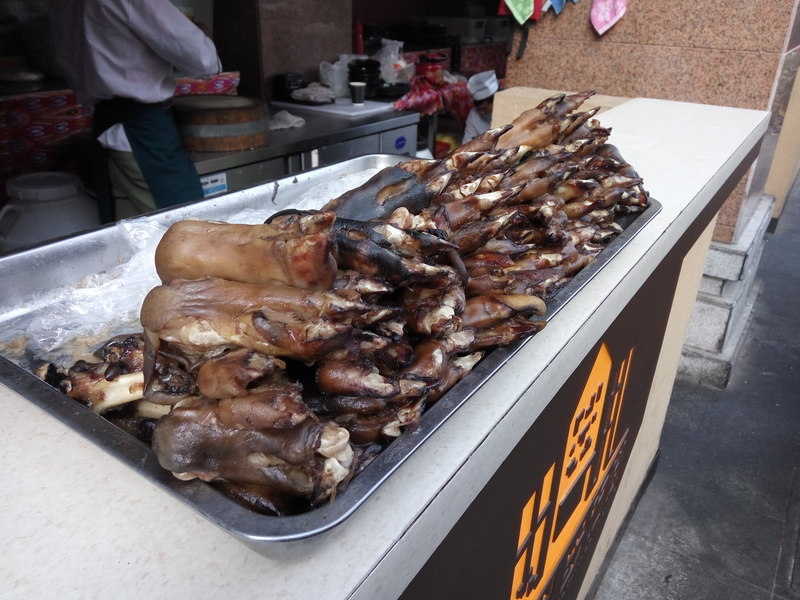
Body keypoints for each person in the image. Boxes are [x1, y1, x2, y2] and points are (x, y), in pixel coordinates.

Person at [49, 0, 222, 222]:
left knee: (132, 228)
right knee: (184, 224)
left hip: (107, 125)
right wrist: (201, 33)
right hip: (142, 130)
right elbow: (202, 59)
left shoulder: (62, 4)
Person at [462, 70, 499, 144]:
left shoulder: (507, 111)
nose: (482, 113)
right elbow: (467, 142)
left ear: (495, 102)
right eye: (479, 110)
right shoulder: (473, 116)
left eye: (485, 109)